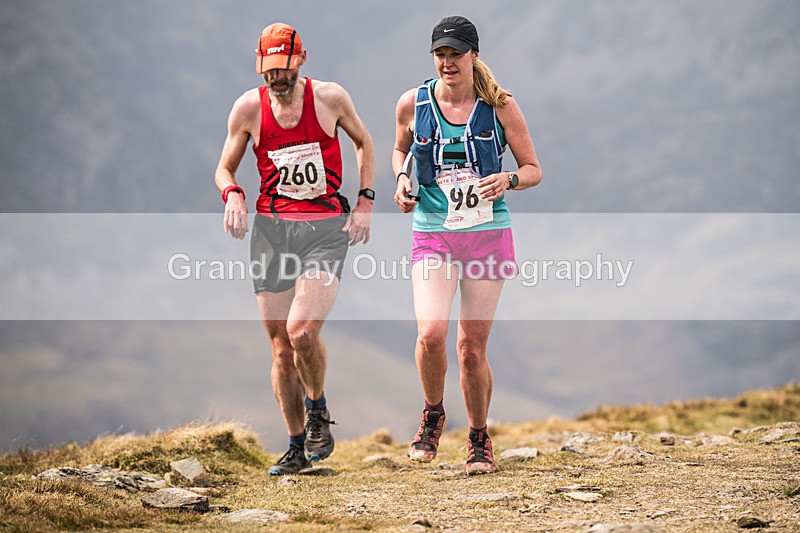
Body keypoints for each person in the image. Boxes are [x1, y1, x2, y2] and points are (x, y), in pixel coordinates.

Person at [215, 23, 375, 475]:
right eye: (269, 70)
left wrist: (365, 200)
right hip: (272, 232)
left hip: (325, 229)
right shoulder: (248, 108)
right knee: (281, 348)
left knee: (302, 332)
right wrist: (233, 195)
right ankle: (295, 446)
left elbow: (364, 142)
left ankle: (318, 408)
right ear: (259, 64)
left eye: (284, 69)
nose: (277, 78)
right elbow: (224, 168)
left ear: (300, 60)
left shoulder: (330, 99)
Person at [392, 16, 541, 474]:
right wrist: (401, 178)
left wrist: (509, 179)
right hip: (433, 232)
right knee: (431, 335)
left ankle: (479, 437)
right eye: (440, 54)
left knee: (471, 349)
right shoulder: (412, 104)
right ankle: (433, 414)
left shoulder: (500, 107)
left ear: (474, 55)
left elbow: (533, 168)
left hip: (486, 235)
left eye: (456, 53)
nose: (447, 62)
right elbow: (400, 150)